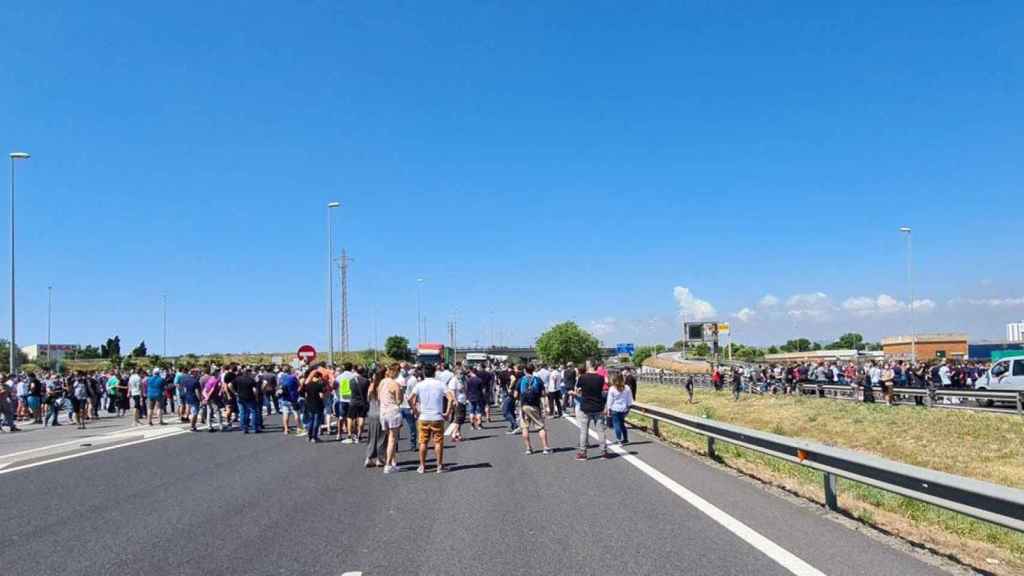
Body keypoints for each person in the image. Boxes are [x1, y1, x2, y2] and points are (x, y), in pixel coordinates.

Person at [408, 364, 453, 474]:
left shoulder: (419, 385)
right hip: (437, 417)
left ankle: (422, 466)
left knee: (423, 442)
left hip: (423, 417)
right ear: (434, 373)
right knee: (438, 442)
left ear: (423, 373)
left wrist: (416, 411)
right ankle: (439, 466)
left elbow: (410, 399)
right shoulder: (440, 384)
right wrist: (447, 413)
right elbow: (451, 399)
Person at [575, 363, 608, 460]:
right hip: (598, 406)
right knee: (600, 431)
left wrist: (583, 394)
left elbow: (577, 391)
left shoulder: (582, 377)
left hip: (586, 407)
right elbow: (602, 390)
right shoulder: (600, 378)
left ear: (589, 366)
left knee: (584, 431)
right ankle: (604, 452)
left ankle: (583, 453)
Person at [517, 365, 551, 455]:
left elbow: (515, 395)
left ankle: (528, 448)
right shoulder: (538, 380)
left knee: (525, 427)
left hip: (524, 406)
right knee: (541, 427)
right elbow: (544, 394)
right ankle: (545, 447)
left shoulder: (521, 380)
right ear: (533, 370)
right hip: (535, 405)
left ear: (525, 370)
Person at [378, 364, 403, 473]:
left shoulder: (382, 382)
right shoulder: (395, 384)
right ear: (396, 372)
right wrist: (401, 392)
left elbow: (379, 397)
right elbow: (399, 401)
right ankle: (388, 464)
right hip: (393, 411)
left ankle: (393, 462)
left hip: (383, 412)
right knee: (393, 439)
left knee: (389, 438)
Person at [364, 367, 386, 467]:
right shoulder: (383, 385)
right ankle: (379, 459)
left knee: (371, 436)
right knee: (381, 437)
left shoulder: (372, 385)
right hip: (380, 412)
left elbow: (368, 398)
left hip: (371, 412)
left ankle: (369, 457)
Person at [606, 373, 633, 445]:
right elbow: (629, 399)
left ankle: (619, 439)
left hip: (615, 409)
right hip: (624, 409)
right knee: (622, 424)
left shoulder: (612, 388)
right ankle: (625, 438)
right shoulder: (627, 387)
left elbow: (610, 400)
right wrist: (629, 407)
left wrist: (608, 409)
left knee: (616, 425)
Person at [232, 367, 260, 434]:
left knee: (243, 412)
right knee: (254, 412)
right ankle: (255, 428)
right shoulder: (251, 380)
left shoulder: (237, 379)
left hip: (240, 397)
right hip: (250, 397)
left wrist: (235, 392)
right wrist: (256, 397)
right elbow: (255, 390)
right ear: (248, 373)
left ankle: (244, 428)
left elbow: (230, 385)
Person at [345, 366, 370, 444]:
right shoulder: (366, 381)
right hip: (363, 401)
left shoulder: (351, 380)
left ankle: (349, 435)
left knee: (350, 418)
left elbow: (350, 389)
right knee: (361, 417)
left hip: (353, 401)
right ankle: (359, 435)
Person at [302, 370, 327, 443]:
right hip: (318, 404)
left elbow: (306, 395)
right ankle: (314, 437)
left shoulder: (308, 385)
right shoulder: (319, 385)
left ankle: (309, 436)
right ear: (319, 377)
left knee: (311, 421)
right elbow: (321, 396)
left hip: (309, 404)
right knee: (316, 421)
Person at [278, 367, 302, 435]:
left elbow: (279, 387)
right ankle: (298, 428)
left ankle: (286, 429)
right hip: (293, 398)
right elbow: (299, 385)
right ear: (289, 371)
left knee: (285, 414)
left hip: (284, 398)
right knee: (296, 413)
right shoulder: (293, 377)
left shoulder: (281, 378)